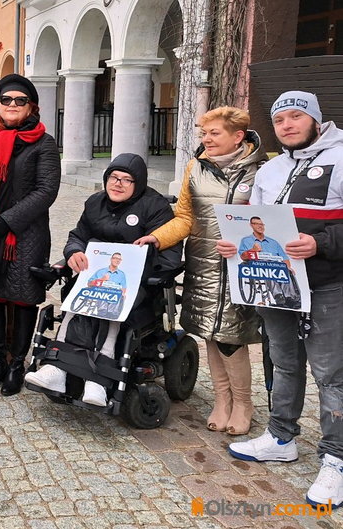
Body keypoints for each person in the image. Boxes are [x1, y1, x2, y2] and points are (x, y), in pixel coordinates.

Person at [217, 91, 343, 508]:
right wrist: (235, 245)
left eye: (295, 116)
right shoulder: (271, 170)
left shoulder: (341, 158)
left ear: (315, 119)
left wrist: (321, 243)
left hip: (328, 282)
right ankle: (281, 436)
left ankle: (336, 460)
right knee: (284, 362)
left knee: (331, 373)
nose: (287, 125)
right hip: (277, 285)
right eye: (279, 120)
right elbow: (254, 223)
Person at [134, 106, 268, 436]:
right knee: (209, 331)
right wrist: (156, 237)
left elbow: (270, 223)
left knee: (232, 338)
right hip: (204, 264)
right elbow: (184, 218)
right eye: (203, 133)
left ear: (238, 136)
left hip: (243, 267)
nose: (206, 139)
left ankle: (243, 403)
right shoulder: (196, 168)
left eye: (214, 133)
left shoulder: (261, 172)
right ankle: (222, 401)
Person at [25, 153, 181, 405]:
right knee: (78, 301)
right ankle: (57, 369)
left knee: (111, 302)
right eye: (113, 177)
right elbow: (78, 235)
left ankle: (98, 380)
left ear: (138, 183)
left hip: (138, 283)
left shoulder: (155, 208)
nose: (117, 184)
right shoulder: (95, 203)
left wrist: (140, 270)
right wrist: (73, 252)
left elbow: (171, 255)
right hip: (96, 279)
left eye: (126, 180)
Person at [0, 74, 61, 396]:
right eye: (6, 99)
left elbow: (46, 190)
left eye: (20, 101)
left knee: (22, 297)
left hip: (26, 234)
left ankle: (17, 363)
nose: (12, 105)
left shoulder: (43, 143)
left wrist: (8, 221)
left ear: (31, 106)